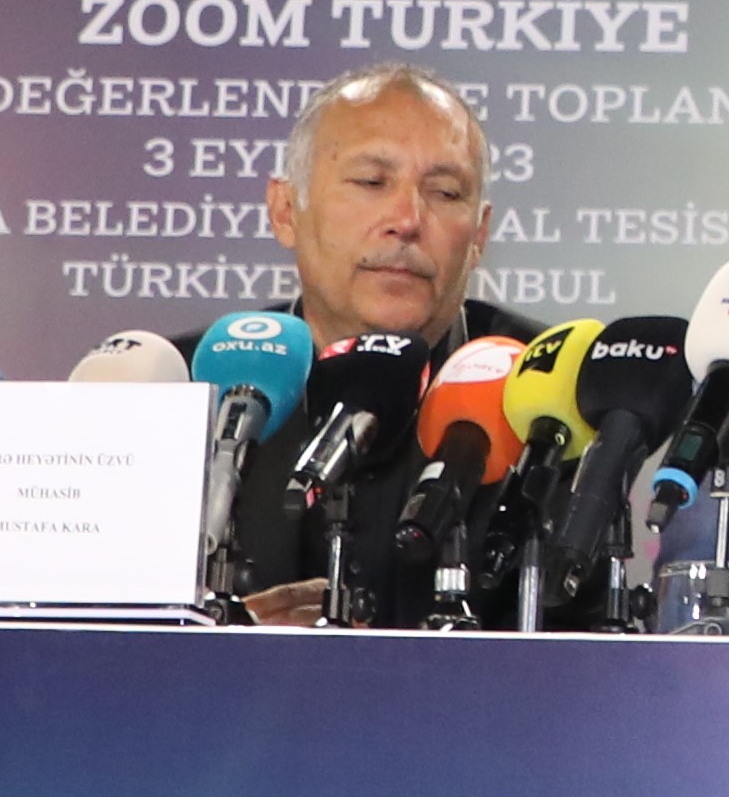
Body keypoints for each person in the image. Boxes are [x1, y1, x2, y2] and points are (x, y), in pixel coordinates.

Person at [221, 66, 553, 599]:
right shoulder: (194, 387)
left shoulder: (551, 390)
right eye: (372, 183)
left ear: (479, 236)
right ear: (285, 211)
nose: (407, 219)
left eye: (445, 192)